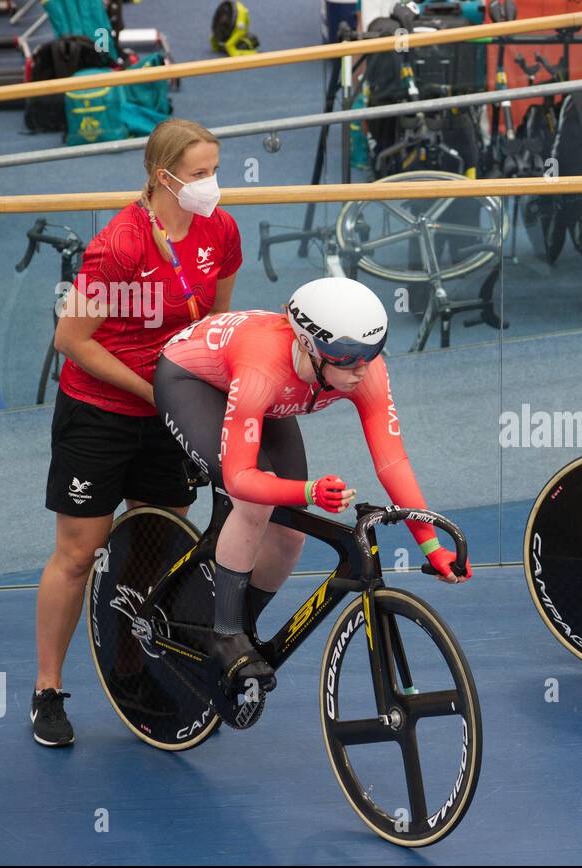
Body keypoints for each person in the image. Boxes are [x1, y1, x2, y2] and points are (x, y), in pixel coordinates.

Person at [155, 277, 470, 695]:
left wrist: (430, 546)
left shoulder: (361, 367)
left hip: (270, 395)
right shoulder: (262, 367)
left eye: (372, 352)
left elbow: (392, 461)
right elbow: (241, 479)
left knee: (290, 535)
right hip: (192, 382)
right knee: (254, 502)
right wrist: (308, 491)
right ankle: (226, 634)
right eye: (348, 358)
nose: (362, 369)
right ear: (309, 346)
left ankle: (239, 622)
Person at [32, 118, 242, 747]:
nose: (212, 185)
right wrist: (153, 389)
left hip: (169, 414)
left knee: (155, 545)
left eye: (215, 170)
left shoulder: (219, 230)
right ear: (164, 176)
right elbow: (71, 340)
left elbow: (217, 319)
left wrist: (208, 391)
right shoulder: (120, 246)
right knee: (79, 551)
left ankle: (133, 666)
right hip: (99, 413)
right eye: (200, 173)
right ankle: (47, 689)